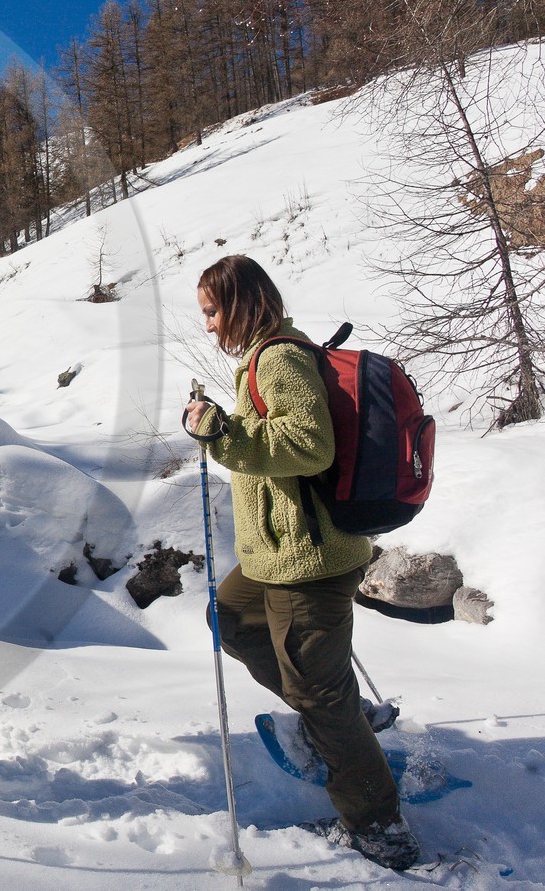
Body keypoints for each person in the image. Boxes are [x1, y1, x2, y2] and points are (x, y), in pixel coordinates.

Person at [184, 255, 419, 871]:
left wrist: (220, 433)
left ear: (241, 303)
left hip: (307, 560)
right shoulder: (265, 356)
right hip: (275, 556)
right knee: (231, 618)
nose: (209, 325)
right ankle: (339, 716)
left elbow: (309, 445)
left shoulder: (279, 357)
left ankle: (380, 826)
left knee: (319, 693)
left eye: (213, 311)